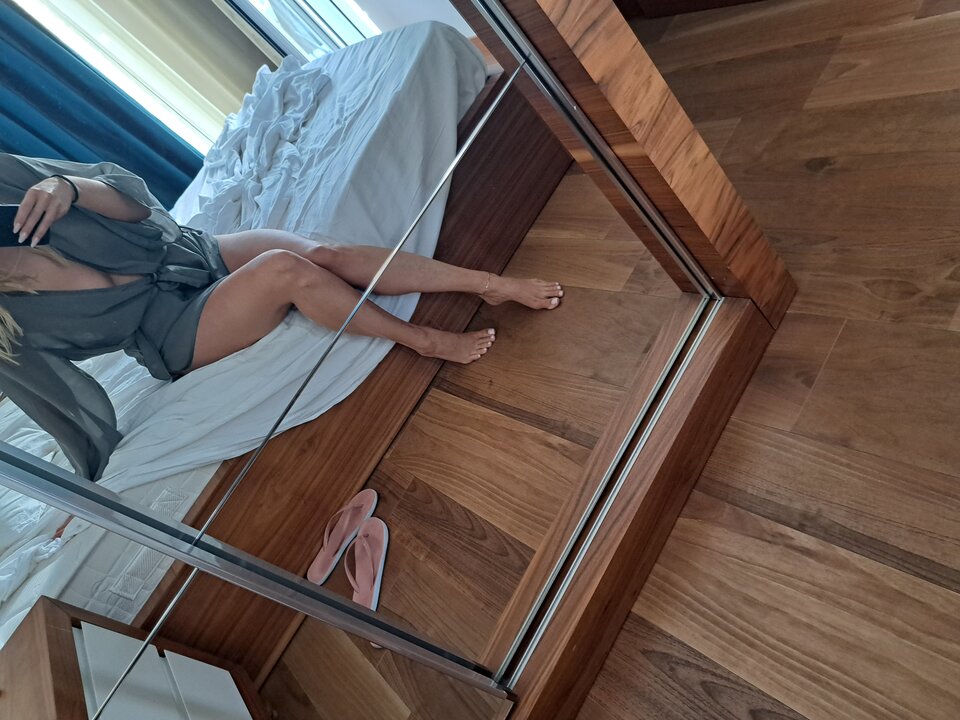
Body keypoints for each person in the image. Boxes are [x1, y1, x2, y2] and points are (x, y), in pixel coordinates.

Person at [0, 153, 563, 480]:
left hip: (190, 255)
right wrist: (90, 476)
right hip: (174, 331)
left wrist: (68, 186)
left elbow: (136, 205)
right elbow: (56, 399)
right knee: (285, 270)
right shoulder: (7, 325)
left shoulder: (18, 191)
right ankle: (424, 340)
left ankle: (487, 285)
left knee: (327, 255)